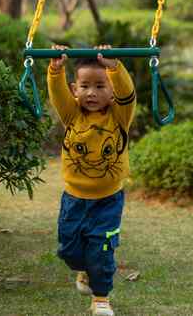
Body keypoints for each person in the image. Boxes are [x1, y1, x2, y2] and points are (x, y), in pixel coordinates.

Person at [47, 44, 136, 316]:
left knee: (102, 249)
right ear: (75, 90)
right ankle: (83, 270)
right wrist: (55, 69)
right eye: (85, 86)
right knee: (70, 251)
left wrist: (114, 68)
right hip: (74, 198)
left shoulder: (119, 117)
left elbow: (128, 95)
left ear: (112, 92)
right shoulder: (71, 115)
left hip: (107, 200)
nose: (92, 93)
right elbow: (57, 94)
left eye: (100, 86)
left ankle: (101, 299)